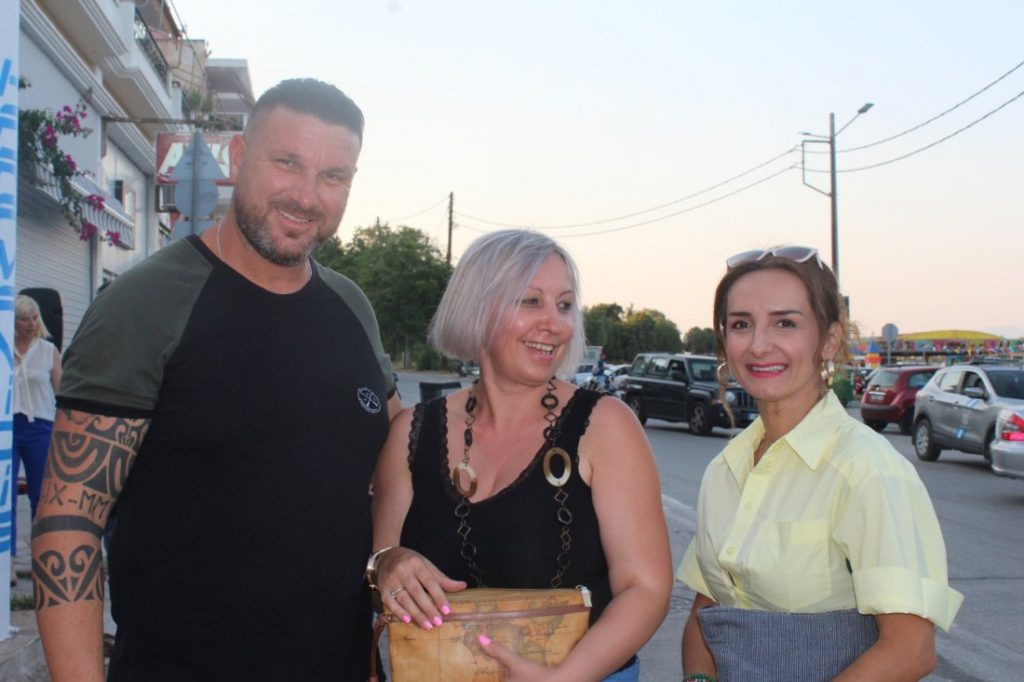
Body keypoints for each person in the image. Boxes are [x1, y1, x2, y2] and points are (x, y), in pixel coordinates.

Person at [31, 78, 401, 682]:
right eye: (287, 163)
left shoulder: (351, 307)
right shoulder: (146, 304)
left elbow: (396, 457)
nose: (306, 196)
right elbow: (67, 525)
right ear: (238, 157)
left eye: (333, 176)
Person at [370, 229, 672, 681]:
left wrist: (563, 678)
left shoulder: (606, 426)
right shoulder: (410, 433)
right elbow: (379, 571)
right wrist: (387, 564)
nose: (557, 324)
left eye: (564, 305)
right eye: (531, 301)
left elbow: (645, 588)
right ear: (476, 307)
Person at [678, 246, 963, 681]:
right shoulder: (725, 469)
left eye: (785, 323)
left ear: (829, 340)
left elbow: (910, 650)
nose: (758, 345)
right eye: (741, 324)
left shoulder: (867, 469)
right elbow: (707, 609)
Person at [11, 294, 62, 587]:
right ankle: (8, 562)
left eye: (34, 318)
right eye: (24, 319)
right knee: (5, 496)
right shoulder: (4, 348)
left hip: (40, 425)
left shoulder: (47, 350)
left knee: (40, 496)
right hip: (8, 427)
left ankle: (40, 559)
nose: (31, 324)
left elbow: (61, 393)